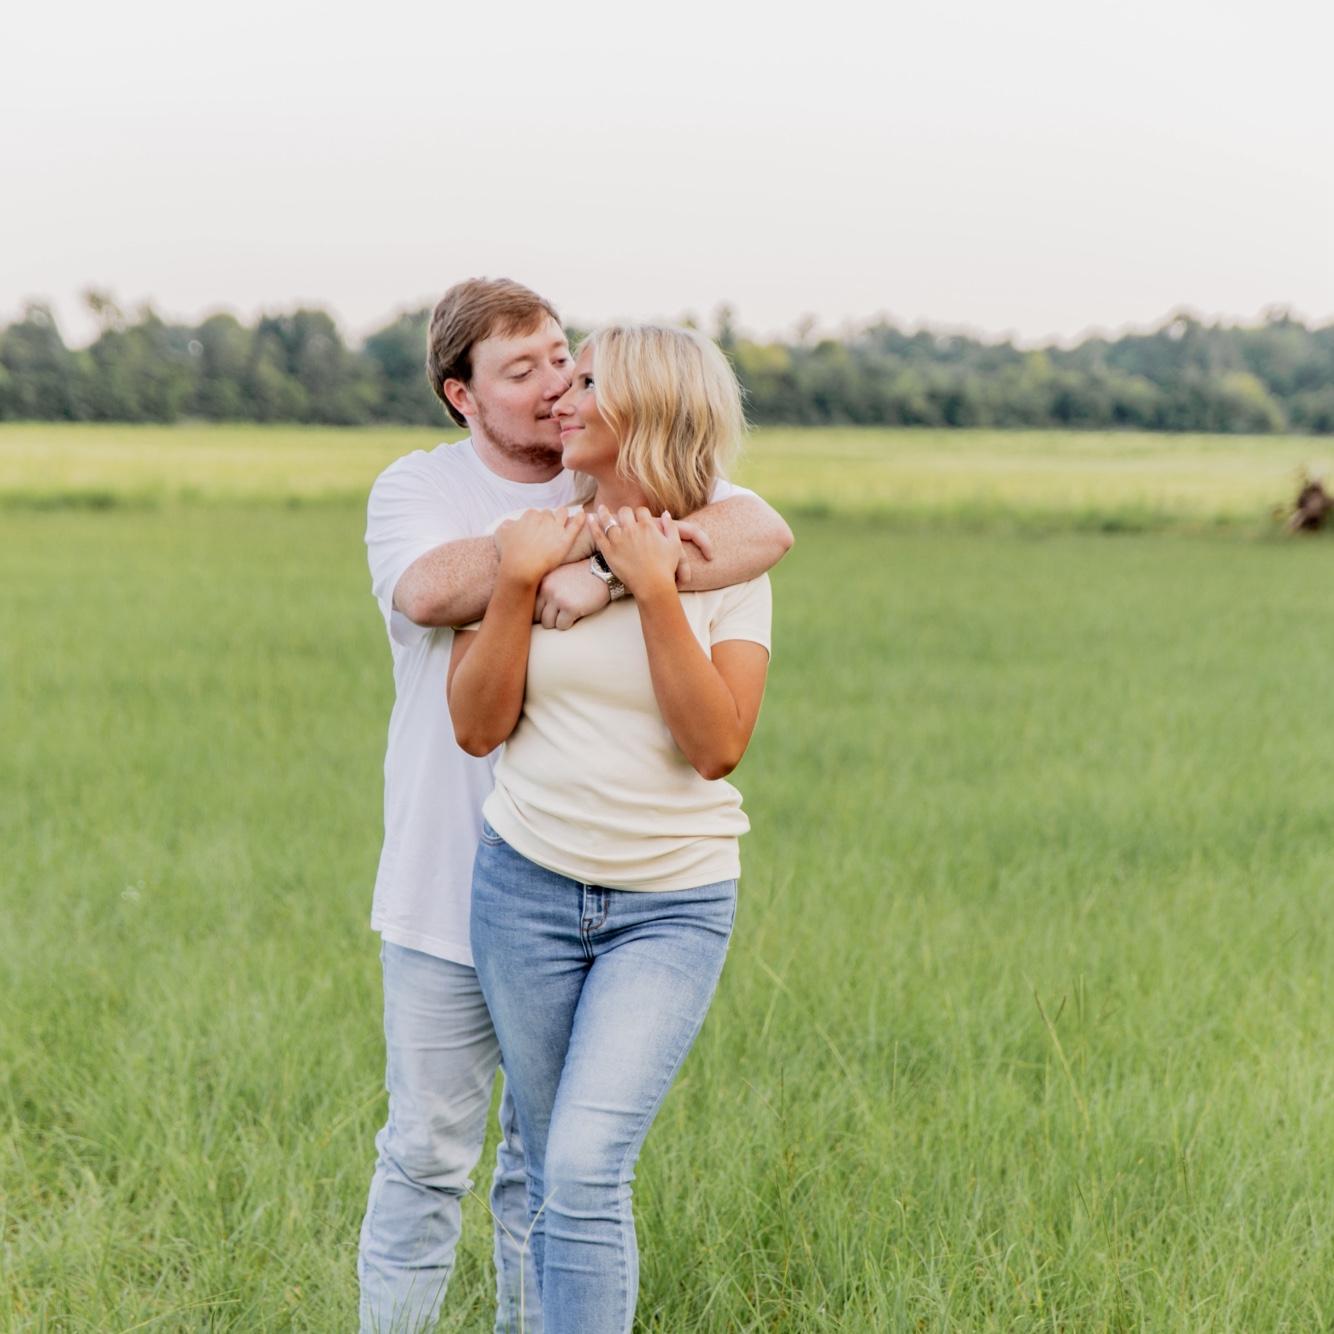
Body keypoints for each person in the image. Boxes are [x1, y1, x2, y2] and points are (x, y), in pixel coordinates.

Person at [360, 279, 792, 1334]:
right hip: (462, 876)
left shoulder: (624, 488)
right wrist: (546, 560)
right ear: (461, 395)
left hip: (641, 884)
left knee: (561, 1164)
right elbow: (430, 594)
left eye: (567, 361)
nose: (558, 388)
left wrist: (612, 566)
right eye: (526, 371)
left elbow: (759, 528)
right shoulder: (425, 490)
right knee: (427, 1153)